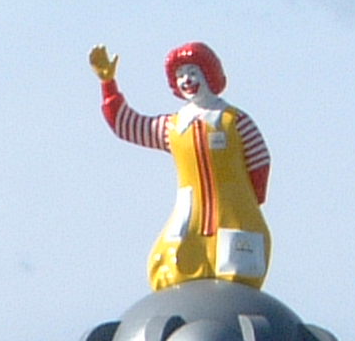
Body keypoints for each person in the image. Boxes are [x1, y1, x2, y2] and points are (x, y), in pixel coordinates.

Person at [90, 41, 272, 291]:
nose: (186, 80)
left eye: (192, 72)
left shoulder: (234, 120)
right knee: (168, 266)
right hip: (189, 213)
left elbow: (259, 161)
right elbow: (127, 125)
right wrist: (108, 83)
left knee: (239, 268)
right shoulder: (173, 126)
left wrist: (248, 201)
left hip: (234, 213)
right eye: (180, 75)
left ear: (209, 73)